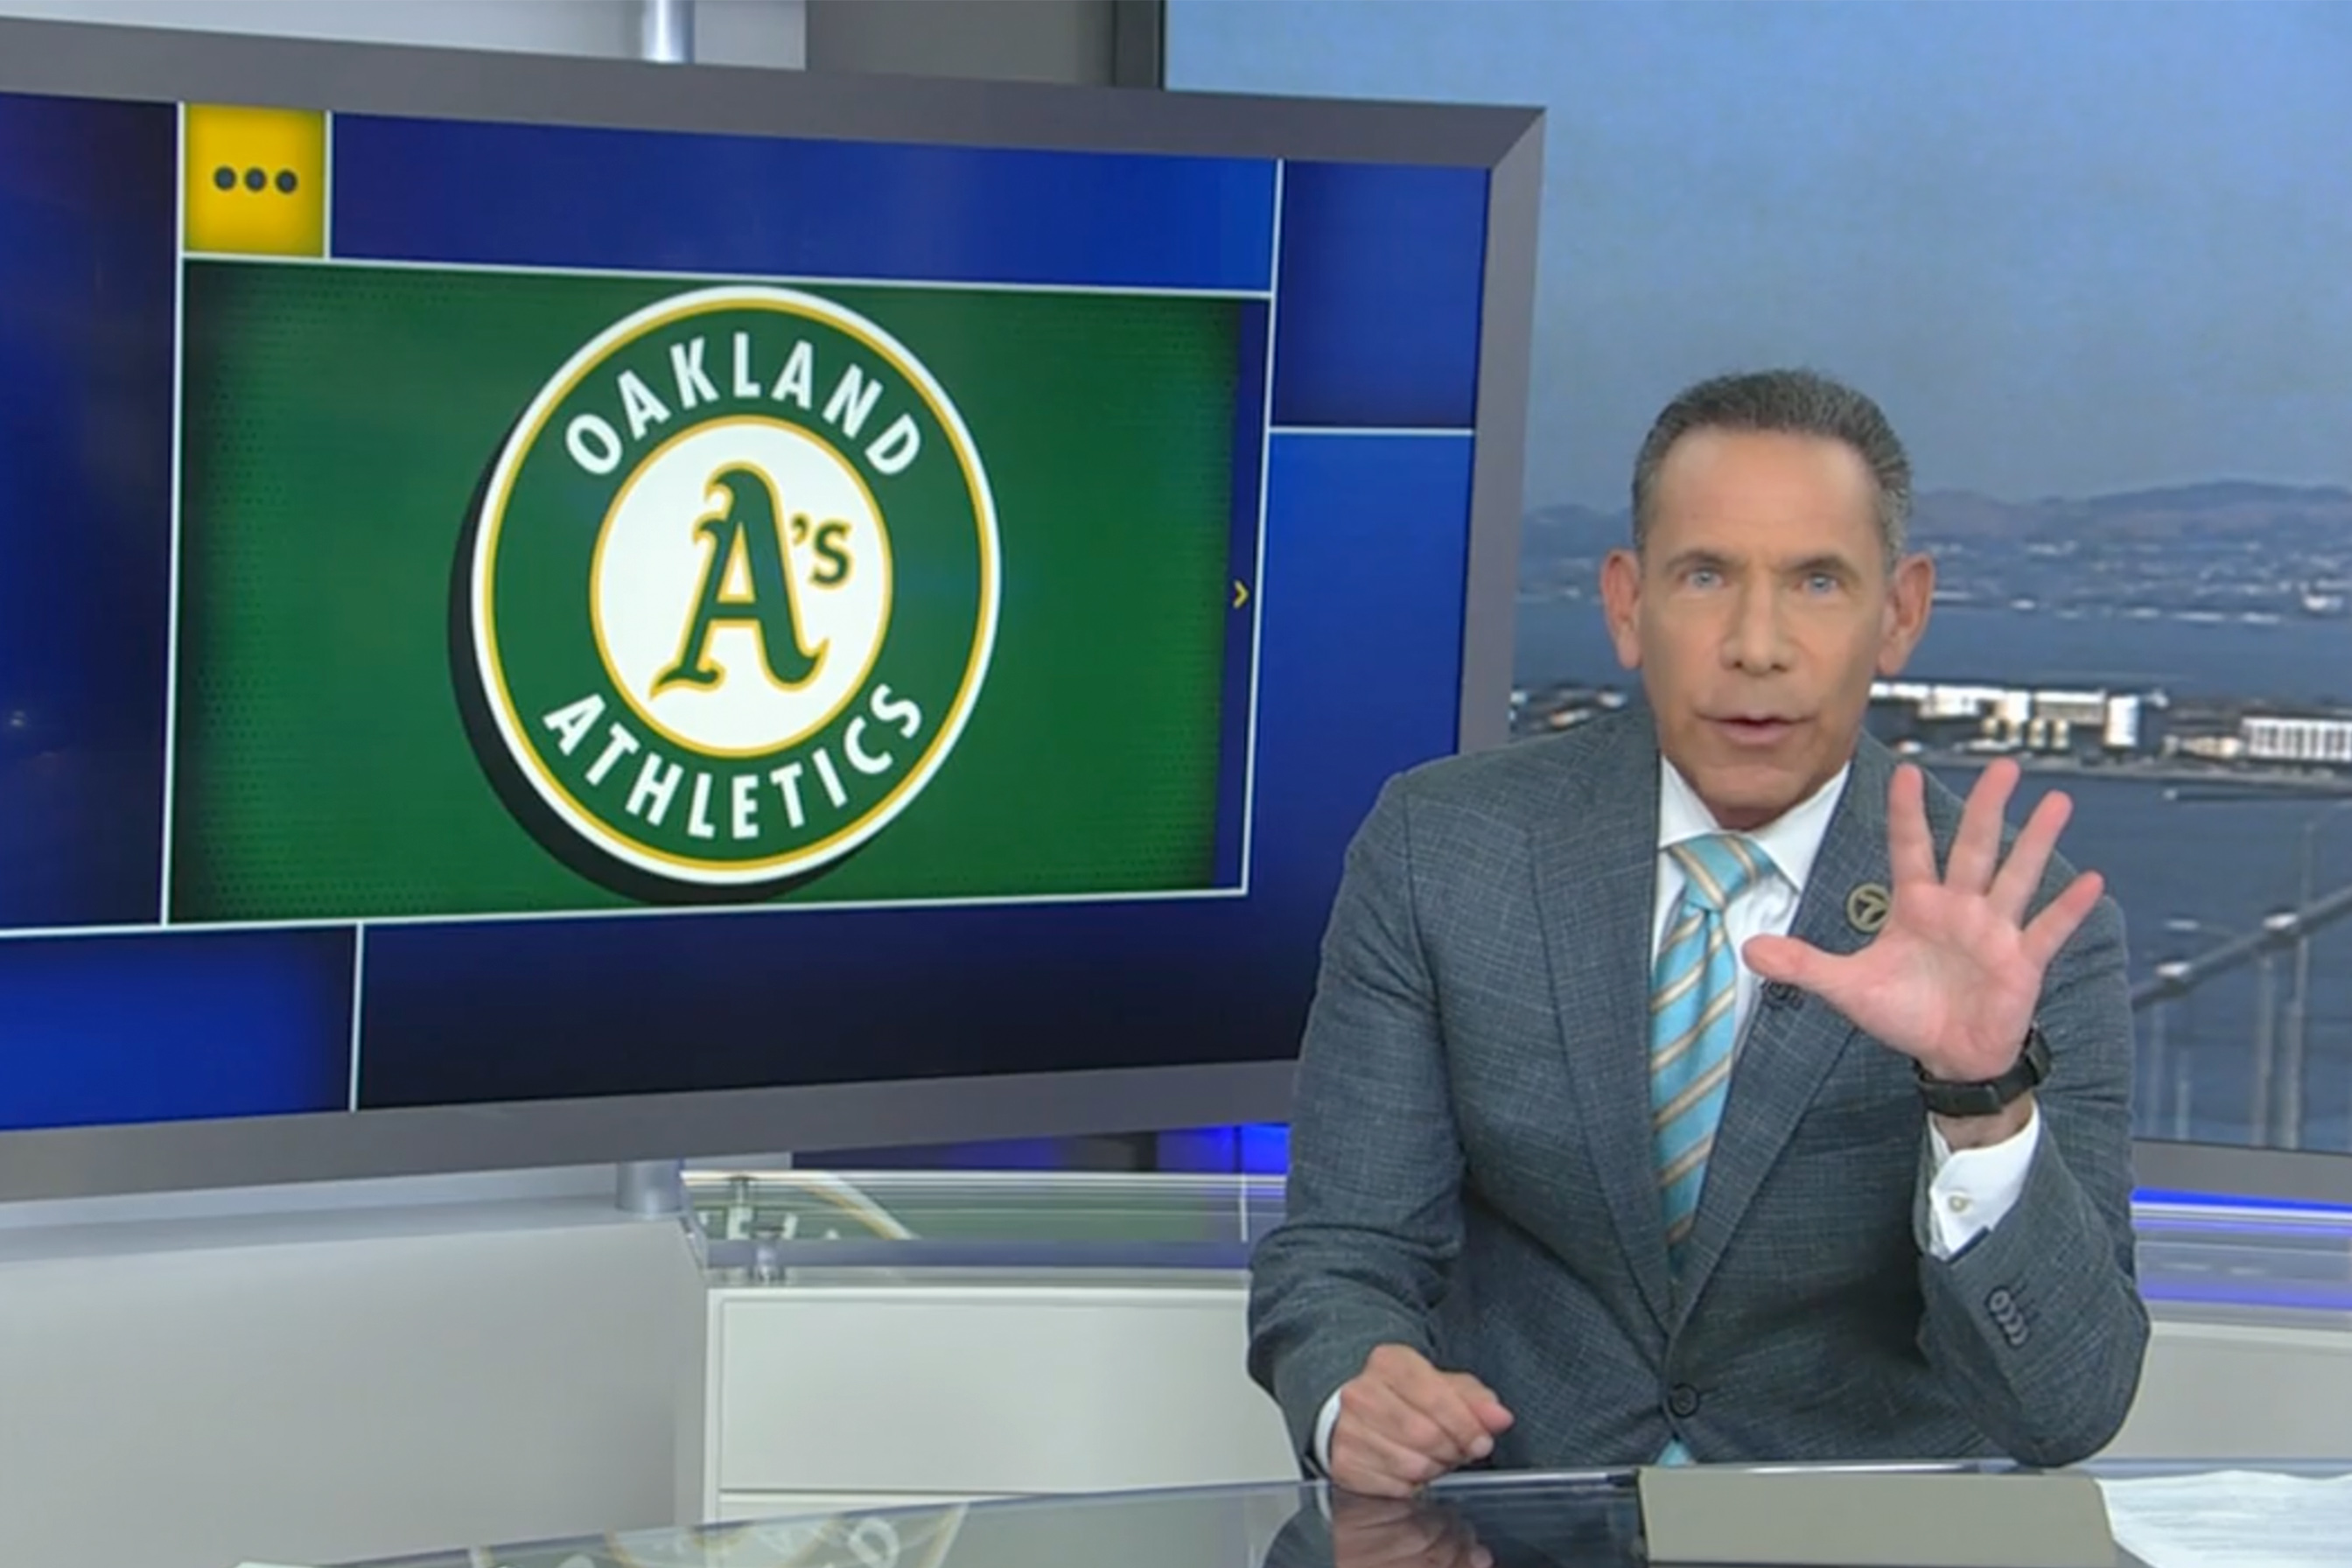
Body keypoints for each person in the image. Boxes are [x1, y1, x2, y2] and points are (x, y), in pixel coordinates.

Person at [1245, 368, 2149, 1498]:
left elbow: (2068, 1406)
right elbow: (1342, 1256)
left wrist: (1978, 1099)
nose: (1755, 644)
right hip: (1517, 1531)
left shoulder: (2027, 937)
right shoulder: (1443, 852)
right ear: (1627, 604)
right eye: (1706, 575)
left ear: (1900, 613)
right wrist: (1352, 1393)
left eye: (1817, 582)